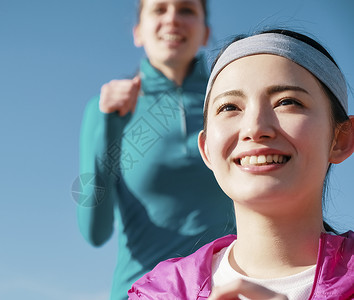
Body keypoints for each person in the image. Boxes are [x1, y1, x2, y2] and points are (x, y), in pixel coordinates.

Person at [128, 29, 354, 299]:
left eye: (287, 102)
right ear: (207, 149)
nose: (255, 128)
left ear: (340, 139)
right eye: (229, 107)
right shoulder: (160, 292)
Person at [77, 0, 235, 299]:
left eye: (187, 9)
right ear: (138, 32)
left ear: (205, 33)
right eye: (159, 9)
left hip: (227, 289)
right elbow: (93, 231)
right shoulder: (105, 109)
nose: (173, 18)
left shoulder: (231, 101)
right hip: (140, 292)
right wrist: (109, 124)